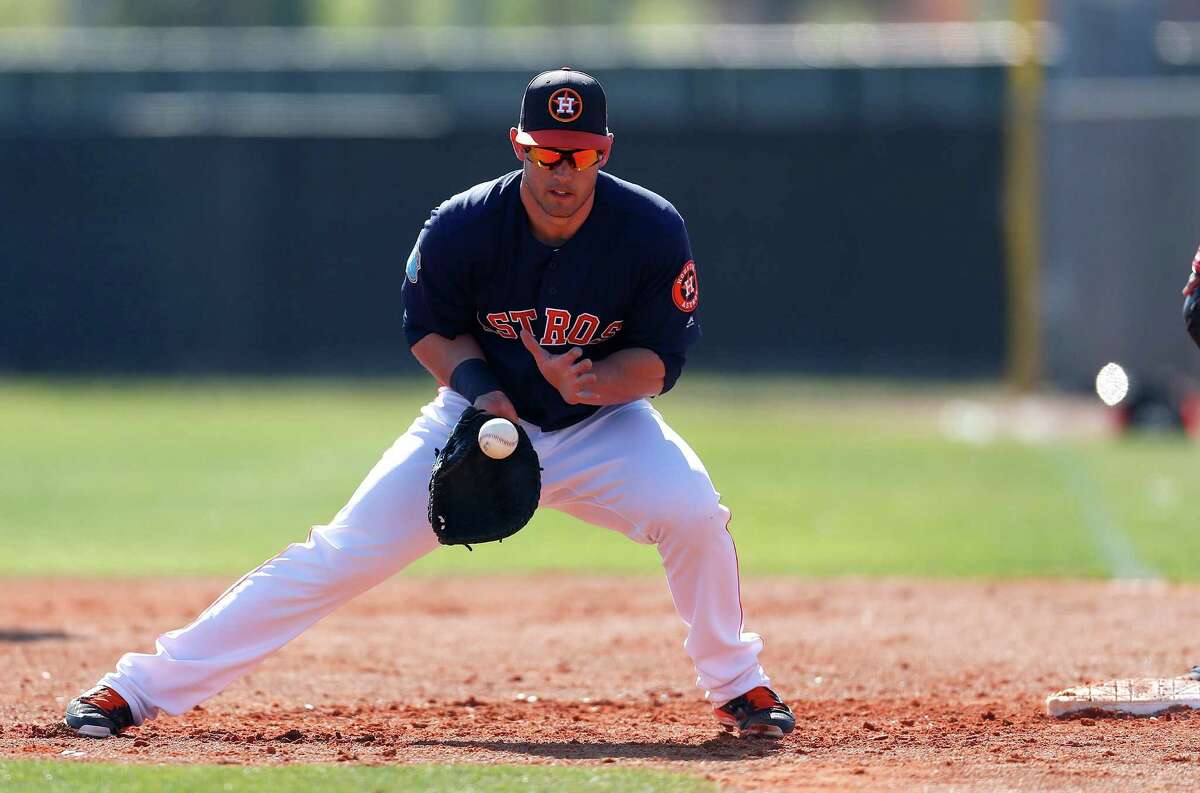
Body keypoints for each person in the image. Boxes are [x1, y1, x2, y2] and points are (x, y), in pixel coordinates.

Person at [64, 67, 794, 740]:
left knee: (695, 512)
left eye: (575, 154)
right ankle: (137, 689)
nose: (560, 171)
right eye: (545, 152)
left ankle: (738, 683)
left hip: (602, 424)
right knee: (340, 554)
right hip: (472, 418)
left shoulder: (651, 229)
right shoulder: (464, 224)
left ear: (603, 150)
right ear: (518, 145)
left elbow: (661, 358)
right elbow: (430, 331)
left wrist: (594, 385)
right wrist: (490, 397)